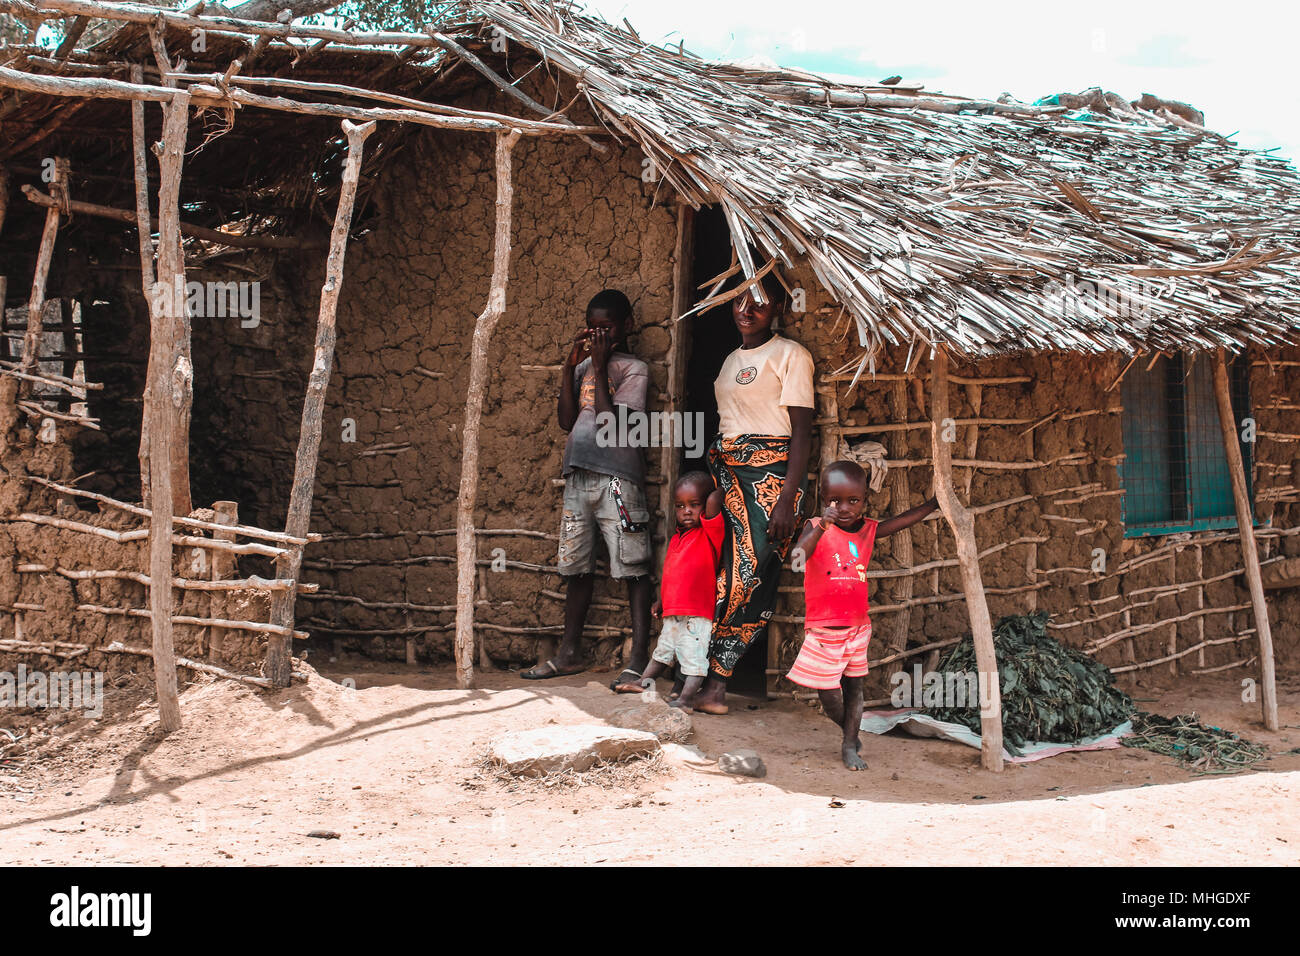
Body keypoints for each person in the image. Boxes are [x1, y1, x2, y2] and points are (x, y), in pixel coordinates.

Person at [691, 271, 814, 716]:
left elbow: (802, 433)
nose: (747, 310)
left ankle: (717, 684)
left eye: (759, 303)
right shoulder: (727, 362)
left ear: (778, 309)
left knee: (750, 577)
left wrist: (786, 498)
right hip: (730, 480)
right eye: (740, 302)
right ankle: (694, 678)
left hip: (772, 486)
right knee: (717, 574)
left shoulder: (791, 356)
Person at [522, 290, 653, 680]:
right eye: (593, 328)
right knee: (575, 566)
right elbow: (566, 421)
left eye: (607, 327)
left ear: (627, 326)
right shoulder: (582, 370)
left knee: (632, 566)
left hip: (618, 477)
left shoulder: (634, 369)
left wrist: (597, 366)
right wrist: (569, 368)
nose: (599, 335)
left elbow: (611, 424)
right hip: (578, 473)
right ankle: (570, 653)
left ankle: (638, 660)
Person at [789, 460, 938, 770]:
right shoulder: (815, 526)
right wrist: (823, 526)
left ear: (865, 500)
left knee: (855, 688)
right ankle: (850, 731)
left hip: (858, 626)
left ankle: (848, 744)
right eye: (835, 500)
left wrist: (934, 504)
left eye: (853, 501)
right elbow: (797, 557)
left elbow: (901, 521)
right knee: (829, 694)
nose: (843, 507)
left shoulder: (869, 530)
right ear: (823, 497)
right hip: (824, 629)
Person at [612, 472, 724, 708]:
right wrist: (662, 601)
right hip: (673, 612)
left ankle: (686, 699)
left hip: (697, 614)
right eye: (680, 506)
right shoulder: (676, 539)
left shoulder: (710, 533)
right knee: (662, 652)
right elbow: (671, 576)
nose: (686, 511)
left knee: (694, 660)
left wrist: (717, 481)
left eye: (695, 505)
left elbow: (716, 499)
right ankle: (643, 681)